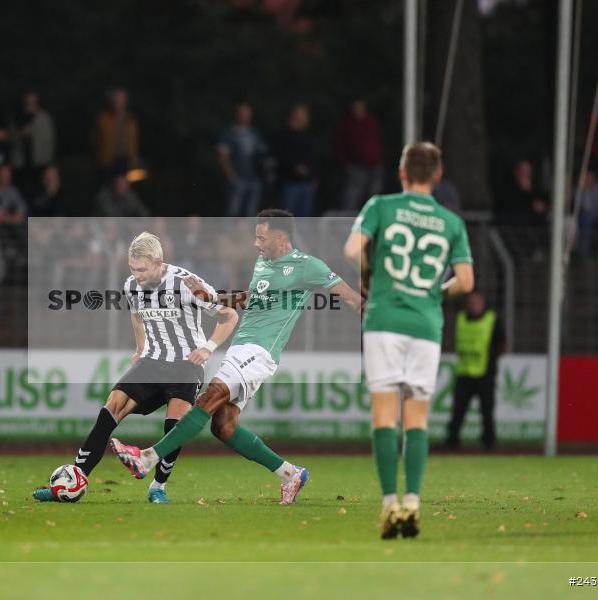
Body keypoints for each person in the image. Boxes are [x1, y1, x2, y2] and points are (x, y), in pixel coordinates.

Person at [112, 210, 363, 504]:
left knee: (209, 396)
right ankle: (290, 474)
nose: (256, 243)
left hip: (260, 351)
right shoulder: (263, 263)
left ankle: (147, 457)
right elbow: (250, 297)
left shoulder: (308, 267)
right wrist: (212, 298)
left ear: (280, 239)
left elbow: (351, 297)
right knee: (223, 426)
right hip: (241, 348)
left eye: (261, 237)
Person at [33, 232, 239, 504]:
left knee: (174, 426)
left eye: (142, 269)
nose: (137, 274)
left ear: (158, 262)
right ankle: (74, 479)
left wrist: (208, 348)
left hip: (185, 366)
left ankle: (158, 487)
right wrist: (140, 348)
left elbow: (229, 314)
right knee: (110, 408)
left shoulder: (188, 284)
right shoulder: (132, 285)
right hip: (152, 362)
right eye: (132, 268)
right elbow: (136, 315)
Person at [344, 142, 474, 539]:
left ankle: (389, 506)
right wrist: (437, 293)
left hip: (384, 319)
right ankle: (413, 502)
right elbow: (467, 282)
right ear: (438, 175)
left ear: (402, 172)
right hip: (425, 326)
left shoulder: (380, 205)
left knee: (385, 416)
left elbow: (351, 250)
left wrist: (368, 275)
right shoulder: (452, 222)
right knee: (416, 417)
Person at [445, 291, 505, 451]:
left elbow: (502, 342)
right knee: (458, 409)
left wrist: (493, 358)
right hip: (464, 371)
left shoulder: (491, 319)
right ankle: (452, 441)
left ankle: (489, 443)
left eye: (477, 302)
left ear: (483, 304)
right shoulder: (461, 318)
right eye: (471, 302)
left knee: (486, 409)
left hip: (485, 373)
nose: (474, 306)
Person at [217, 102, 267, 217]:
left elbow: (262, 156)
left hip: (254, 179)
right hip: (237, 178)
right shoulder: (229, 133)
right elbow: (223, 156)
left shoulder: (255, 134)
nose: (245, 116)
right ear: (236, 114)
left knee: (251, 213)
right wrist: (231, 176)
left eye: (247, 114)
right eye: (242, 113)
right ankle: (229, 234)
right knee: (232, 212)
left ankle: (247, 235)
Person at [336, 99, 384, 211]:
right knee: (352, 195)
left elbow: (378, 140)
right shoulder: (347, 124)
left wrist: (380, 158)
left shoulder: (371, 121)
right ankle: (346, 220)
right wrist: (346, 164)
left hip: (375, 164)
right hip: (356, 166)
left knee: (374, 195)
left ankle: (372, 219)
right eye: (356, 108)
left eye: (361, 107)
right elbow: (340, 145)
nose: (359, 110)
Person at [275, 103, 317, 218]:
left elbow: (312, 158)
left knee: (304, 218)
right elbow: (280, 156)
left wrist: (313, 178)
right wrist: (294, 167)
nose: (306, 118)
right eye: (303, 115)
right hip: (289, 183)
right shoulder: (284, 135)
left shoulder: (307, 137)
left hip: (306, 184)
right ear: (294, 116)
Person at [10, 90, 55, 197]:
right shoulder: (17, 117)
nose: (30, 101)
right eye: (28, 98)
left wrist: (48, 161)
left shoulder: (43, 117)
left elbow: (50, 140)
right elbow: (10, 137)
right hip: (21, 163)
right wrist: (21, 134)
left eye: (32, 98)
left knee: (39, 191)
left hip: (39, 162)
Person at [93, 87, 139, 178]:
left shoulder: (130, 119)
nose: (119, 102)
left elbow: (133, 141)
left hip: (125, 160)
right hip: (107, 160)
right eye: (117, 99)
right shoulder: (103, 119)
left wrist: (133, 159)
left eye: (122, 99)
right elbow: (95, 139)